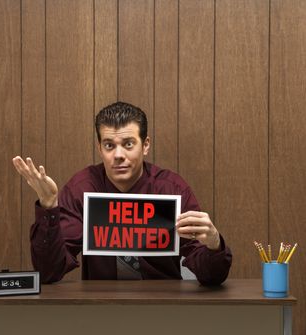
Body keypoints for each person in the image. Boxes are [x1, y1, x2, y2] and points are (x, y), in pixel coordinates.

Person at [13, 101, 232, 284]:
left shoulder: (171, 188)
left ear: (145, 146)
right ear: (99, 148)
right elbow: (49, 272)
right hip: (99, 311)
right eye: (109, 145)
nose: (118, 155)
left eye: (128, 144)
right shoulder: (82, 189)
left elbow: (211, 276)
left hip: (164, 309)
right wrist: (49, 205)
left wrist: (214, 244)